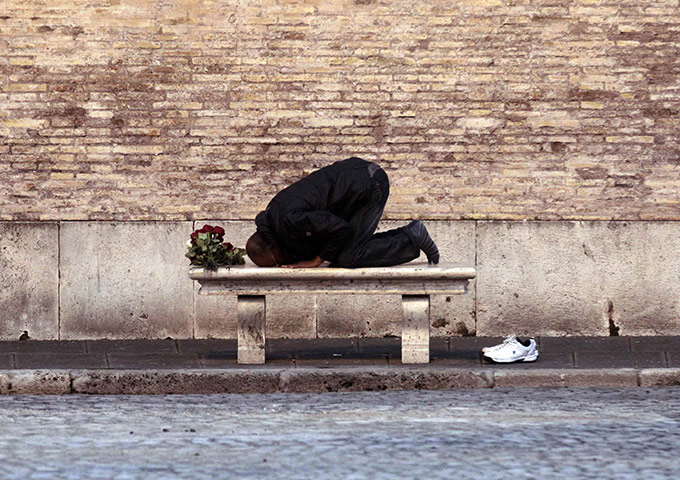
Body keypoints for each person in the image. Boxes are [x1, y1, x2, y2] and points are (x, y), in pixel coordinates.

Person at [246, 157, 440, 268]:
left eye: (275, 263)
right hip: (356, 178)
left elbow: (341, 230)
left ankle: (410, 237)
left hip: (369, 186)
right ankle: (410, 235)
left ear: (272, 248)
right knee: (341, 254)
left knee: (349, 257)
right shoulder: (275, 217)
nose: (279, 265)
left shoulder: (290, 220)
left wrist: (316, 260)